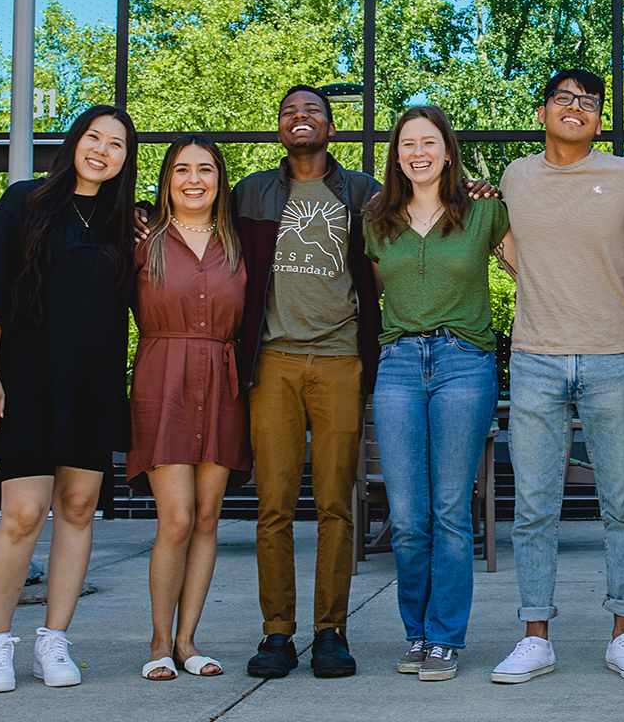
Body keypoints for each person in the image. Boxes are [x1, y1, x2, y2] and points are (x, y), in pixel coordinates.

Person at [489, 68, 624, 685]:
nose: (576, 107)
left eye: (588, 102)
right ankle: (535, 636)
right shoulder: (516, 176)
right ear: (543, 112)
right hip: (534, 357)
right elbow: (511, 251)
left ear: (597, 118)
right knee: (535, 507)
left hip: (612, 357)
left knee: (623, 505)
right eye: (564, 98)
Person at [0, 105, 139, 693]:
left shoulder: (123, 225)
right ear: (74, 143)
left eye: (117, 144)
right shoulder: (25, 202)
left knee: (77, 508)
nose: (103, 150)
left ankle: (54, 642)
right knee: (21, 514)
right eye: (94, 137)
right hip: (28, 379)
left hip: (91, 384)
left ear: (125, 160)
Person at [364, 105, 516, 682]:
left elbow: (533, 261)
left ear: (447, 151)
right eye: (408, 144)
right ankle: (417, 633)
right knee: (407, 515)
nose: (418, 152)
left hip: (464, 363)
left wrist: (502, 187)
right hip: (398, 364)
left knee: (451, 511)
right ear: (396, 155)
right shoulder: (376, 219)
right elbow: (376, 289)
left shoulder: (484, 212)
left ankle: (447, 638)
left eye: (429, 142)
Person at [236, 85, 381, 679]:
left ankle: (330, 631)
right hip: (272, 362)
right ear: (279, 128)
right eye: (291, 111)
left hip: (340, 361)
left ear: (330, 126)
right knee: (272, 505)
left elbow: (419, 219)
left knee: (335, 506)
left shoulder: (362, 192)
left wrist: (475, 191)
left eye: (313, 111)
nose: (302, 118)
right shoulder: (251, 191)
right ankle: (276, 633)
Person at [129, 135, 249, 681]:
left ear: (220, 180)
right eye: (182, 170)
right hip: (163, 382)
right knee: (175, 518)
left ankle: (188, 641)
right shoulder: (141, 238)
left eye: (205, 169)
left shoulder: (240, 243)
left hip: (222, 385)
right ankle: (157, 641)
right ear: (166, 180)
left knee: (207, 518)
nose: (194, 179)